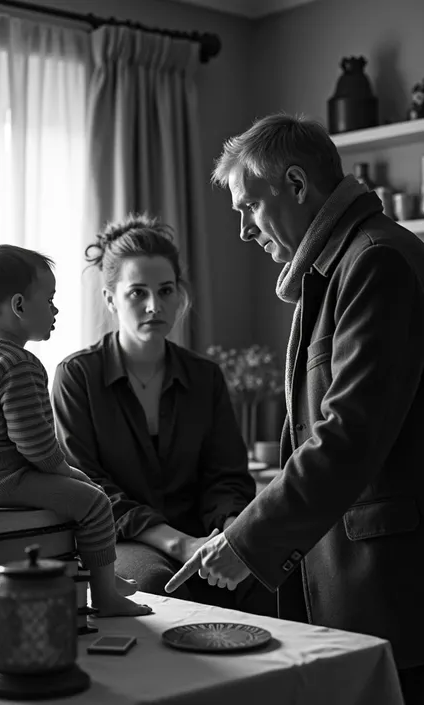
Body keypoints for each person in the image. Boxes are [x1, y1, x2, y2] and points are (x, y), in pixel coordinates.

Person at [164, 113, 424, 704]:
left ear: (298, 186)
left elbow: (347, 434)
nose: (242, 230)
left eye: (247, 207)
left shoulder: (374, 262)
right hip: (355, 572)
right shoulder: (340, 267)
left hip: (389, 579)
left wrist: (246, 540)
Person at [51, 214, 277, 616]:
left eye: (165, 290)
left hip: (200, 534)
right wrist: (177, 542)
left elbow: (226, 475)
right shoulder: (77, 376)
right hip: (115, 541)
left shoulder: (204, 377)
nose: (154, 305)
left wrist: (229, 535)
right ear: (110, 299)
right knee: (152, 583)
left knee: (269, 577)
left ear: (179, 295)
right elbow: (87, 487)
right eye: (137, 292)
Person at [0, 239, 151, 618]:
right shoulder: (19, 364)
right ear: (19, 306)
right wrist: (70, 473)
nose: (56, 308)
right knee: (94, 502)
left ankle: (104, 578)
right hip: (0, 477)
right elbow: (37, 448)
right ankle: (104, 595)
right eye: (50, 298)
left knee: (78, 493)